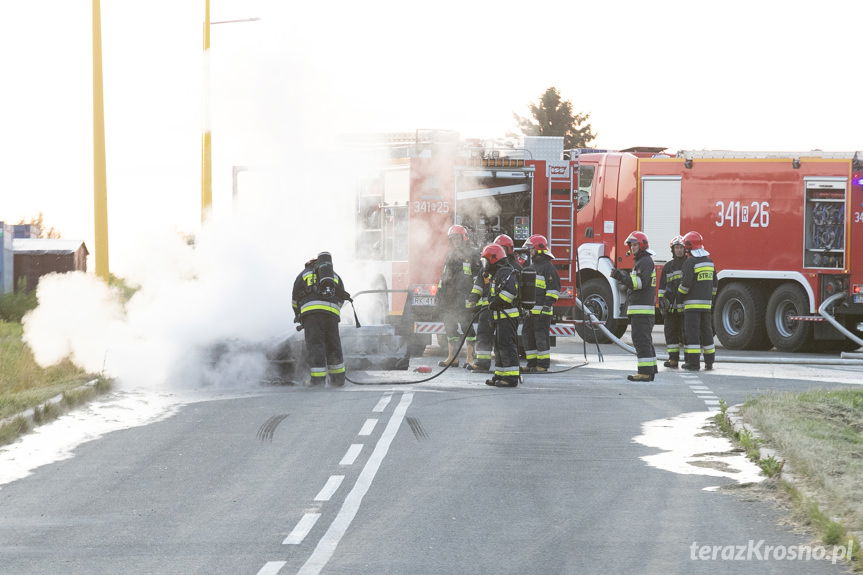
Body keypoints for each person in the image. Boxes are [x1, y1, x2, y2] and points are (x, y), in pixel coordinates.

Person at [291, 252, 350, 386]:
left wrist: (299, 315)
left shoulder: (303, 274)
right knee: (333, 345)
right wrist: (334, 311)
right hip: (332, 315)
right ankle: (338, 379)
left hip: (312, 316)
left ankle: (318, 380)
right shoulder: (334, 276)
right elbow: (341, 297)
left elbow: (295, 300)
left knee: (316, 346)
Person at [610, 231, 658, 381]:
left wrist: (621, 276)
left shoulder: (644, 262)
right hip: (642, 309)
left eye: (635, 244)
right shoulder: (643, 261)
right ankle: (650, 370)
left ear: (642, 245)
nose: (632, 248)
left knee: (640, 340)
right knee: (645, 340)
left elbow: (638, 284)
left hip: (641, 309)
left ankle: (644, 372)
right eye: (631, 245)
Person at [437, 225, 481, 367]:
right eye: (452, 238)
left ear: (464, 238)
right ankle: (452, 357)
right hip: (450, 297)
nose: (455, 241)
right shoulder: (450, 254)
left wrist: (474, 296)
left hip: (465, 297)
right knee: (450, 325)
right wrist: (440, 292)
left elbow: (478, 277)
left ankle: (469, 358)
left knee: (467, 326)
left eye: (457, 238)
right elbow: (444, 276)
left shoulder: (473, 254)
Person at [482, 243, 521, 388]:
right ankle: (500, 375)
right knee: (499, 347)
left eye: (485, 260)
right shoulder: (498, 274)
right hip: (500, 317)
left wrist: (496, 303)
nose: (484, 264)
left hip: (507, 316)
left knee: (507, 346)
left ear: (494, 258)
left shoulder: (506, 272)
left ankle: (511, 378)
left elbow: (510, 293)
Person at [678, 231, 718, 371]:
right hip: (706, 306)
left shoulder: (690, 262)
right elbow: (714, 284)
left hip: (691, 306)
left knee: (693, 334)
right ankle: (709, 362)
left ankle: (693, 364)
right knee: (707, 332)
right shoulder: (709, 262)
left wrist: (678, 296)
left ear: (688, 247)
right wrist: (709, 299)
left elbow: (686, 285)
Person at [522, 234, 560, 373]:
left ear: (538, 249)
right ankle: (531, 364)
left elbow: (554, 290)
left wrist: (546, 306)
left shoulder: (548, 268)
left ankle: (543, 365)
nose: (529, 251)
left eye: (531, 249)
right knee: (528, 337)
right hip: (530, 312)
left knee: (541, 338)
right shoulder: (532, 266)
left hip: (542, 312)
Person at [658, 235, 687, 368]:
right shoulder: (668, 266)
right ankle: (673, 359)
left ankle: (688, 360)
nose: (679, 250)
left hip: (684, 307)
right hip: (670, 308)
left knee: (686, 335)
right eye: (677, 247)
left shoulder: (689, 264)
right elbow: (662, 287)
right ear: (673, 249)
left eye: (681, 247)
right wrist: (661, 302)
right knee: (670, 333)